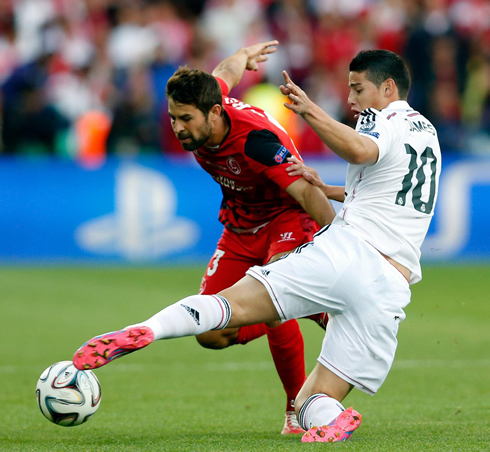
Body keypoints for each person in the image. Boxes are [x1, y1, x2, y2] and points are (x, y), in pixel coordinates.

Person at [73, 48, 441, 443]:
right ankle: (329, 417)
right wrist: (243, 56)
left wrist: (309, 110)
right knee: (311, 400)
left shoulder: (382, 120)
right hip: (389, 287)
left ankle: (147, 329)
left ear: (387, 88)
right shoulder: (428, 133)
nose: (351, 100)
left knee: (232, 304)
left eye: (357, 89)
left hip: (334, 245)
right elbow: (381, 188)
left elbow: (358, 151)